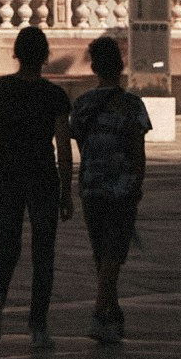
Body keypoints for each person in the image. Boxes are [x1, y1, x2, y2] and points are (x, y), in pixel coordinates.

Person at [0, 25, 72, 335]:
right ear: (45, 57)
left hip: (5, 173)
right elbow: (62, 147)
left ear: (15, 53)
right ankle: (38, 326)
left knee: (7, 247)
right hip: (42, 176)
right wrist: (67, 190)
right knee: (43, 253)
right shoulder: (54, 96)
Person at [71, 30, 150, 342]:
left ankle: (113, 315)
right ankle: (99, 313)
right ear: (121, 65)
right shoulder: (132, 106)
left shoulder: (82, 105)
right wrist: (138, 183)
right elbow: (138, 151)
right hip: (121, 186)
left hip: (91, 184)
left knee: (102, 253)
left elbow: (80, 142)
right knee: (113, 255)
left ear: (94, 69)